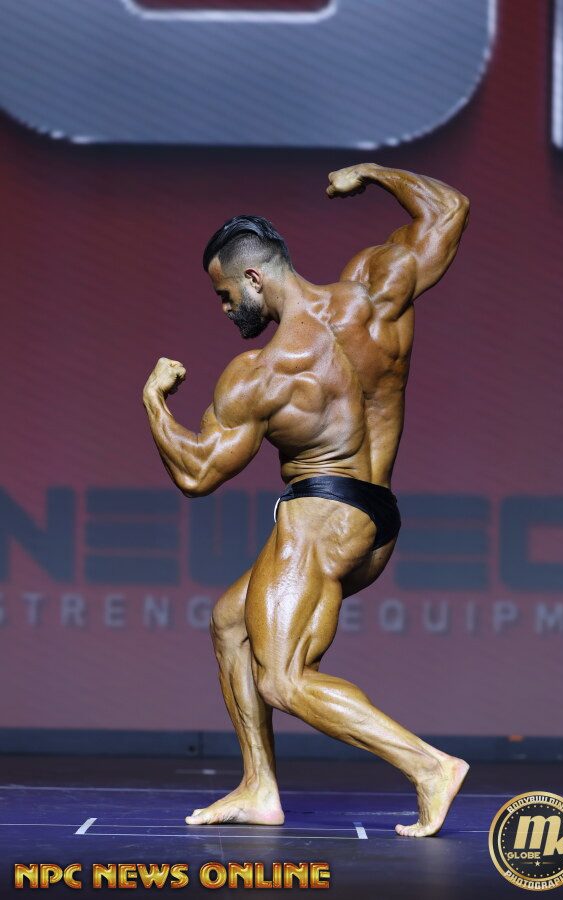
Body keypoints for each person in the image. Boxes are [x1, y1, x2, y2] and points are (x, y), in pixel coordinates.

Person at [142, 163, 470, 837]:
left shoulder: (262, 373)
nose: (226, 308)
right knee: (230, 624)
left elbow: (197, 475)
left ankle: (430, 766)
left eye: (226, 294)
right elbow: (448, 210)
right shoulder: (374, 293)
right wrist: (372, 173)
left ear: (254, 278)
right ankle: (258, 787)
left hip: (319, 518)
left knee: (284, 679)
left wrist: (153, 402)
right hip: (375, 518)